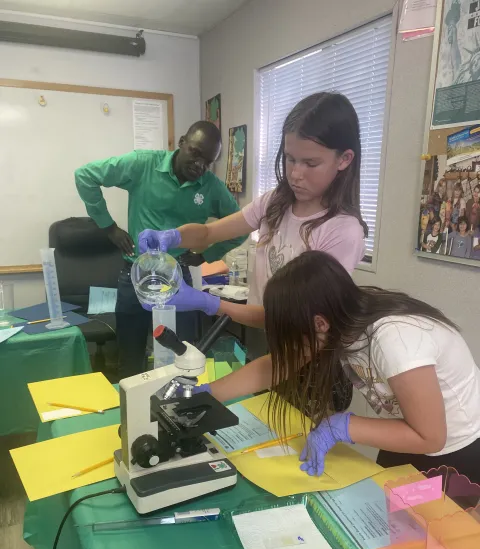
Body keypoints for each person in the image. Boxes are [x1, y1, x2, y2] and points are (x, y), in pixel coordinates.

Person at [203, 251, 480, 483]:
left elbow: (431, 438)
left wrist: (343, 426)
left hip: (457, 453)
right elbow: (277, 367)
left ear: (319, 324)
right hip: (408, 434)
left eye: (292, 338)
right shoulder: (341, 320)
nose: (292, 351)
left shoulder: (395, 340)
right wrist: (206, 395)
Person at [138, 92, 367, 330]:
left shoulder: (342, 232)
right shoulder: (275, 202)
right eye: (290, 159)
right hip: (266, 337)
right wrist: (172, 236)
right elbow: (208, 233)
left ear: (344, 159)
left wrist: (209, 303)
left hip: (302, 349)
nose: (296, 174)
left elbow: (293, 320)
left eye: (310, 163)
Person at [74, 121, 245, 378]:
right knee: (130, 358)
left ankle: (174, 413)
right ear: (182, 143)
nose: (200, 165)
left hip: (178, 280)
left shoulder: (210, 186)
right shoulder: (143, 164)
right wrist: (109, 227)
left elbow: (241, 227)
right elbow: (85, 176)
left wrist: (206, 255)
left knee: (182, 357)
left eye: (207, 161)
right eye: (196, 153)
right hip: (136, 276)